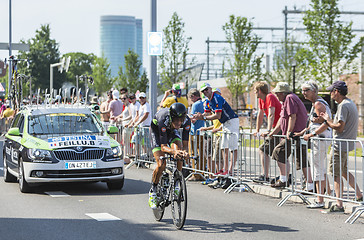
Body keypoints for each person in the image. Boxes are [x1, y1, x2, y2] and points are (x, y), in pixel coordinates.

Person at [320, 80, 363, 212]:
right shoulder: (350, 104)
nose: (330, 94)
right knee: (343, 171)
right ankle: (359, 195)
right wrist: (329, 119)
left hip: (339, 145)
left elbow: (339, 127)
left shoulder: (343, 106)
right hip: (345, 145)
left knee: (336, 174)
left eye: (331, 91)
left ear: (336, 92)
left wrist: (327, 120)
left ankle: (339, 204)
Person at [268, 82, 313, 190]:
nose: (276, 95)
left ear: (283, 93)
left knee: (278, 152)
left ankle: (283, 179)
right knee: (301, 159)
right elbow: (282, 119)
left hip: (295, 134)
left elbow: (293, 116)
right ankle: (310, 186)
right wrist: (273, 132)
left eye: (278, 93)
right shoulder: (286, 100)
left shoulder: (289, 98)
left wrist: (289, 131)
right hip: (296, 134)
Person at [294, 81, 332, 208]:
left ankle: (320, 200)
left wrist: (312, 134)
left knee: (317, 170)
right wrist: (304, 131)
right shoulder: (316, 103)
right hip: (319, 139)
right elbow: (314, 122)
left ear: (314, 91)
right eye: (303, 90)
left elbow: (326, 123)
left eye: (306, 90)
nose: (303, 93)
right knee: (320, 167)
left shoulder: (318, 104)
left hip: (320, 139)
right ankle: (329, 194)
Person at [148, 103, 191, 209]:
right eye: (176, 120)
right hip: (157, 133)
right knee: (161, 164)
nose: (179, 122)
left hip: (172, 132)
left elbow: (185, 145)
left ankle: (177, 182)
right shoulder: (163, 118)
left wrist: (184, 153)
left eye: (181, 120)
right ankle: (153, 191)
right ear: (171, 117)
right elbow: (163, 147)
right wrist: (173, 152)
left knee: (179, 152)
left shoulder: (186, 121)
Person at [191, 83, 239, 176]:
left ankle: (230, 171)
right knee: (223, 146)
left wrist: (203, 118)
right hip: (225, 122)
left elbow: (217, 115)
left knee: (232, 147)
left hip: (232, 121)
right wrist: (198, 116)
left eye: (206, 89)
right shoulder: (208, 101)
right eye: (203, 91)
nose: (205, 92)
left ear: (210, 89)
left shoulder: (216, 98)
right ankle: (225, 169)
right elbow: (206, 113)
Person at [252, 81, 282, 183]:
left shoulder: (270, 97)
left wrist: (269, 131)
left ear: (260, 91)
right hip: (274, 128)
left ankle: (279, 176)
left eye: (255, 91)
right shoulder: (261, 100)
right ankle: (269, 175)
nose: (254, 93)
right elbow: (260, 115)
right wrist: (257, 130)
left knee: (277, 152)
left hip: (279, 128)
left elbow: (271, 114)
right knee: (272, 151)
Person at [188, 88, 206, 181]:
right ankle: (201, 172)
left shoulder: (195, 105)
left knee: (194, 154)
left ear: (193, 96)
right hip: (202, 132)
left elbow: (193, 120)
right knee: (202, 154)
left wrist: (187, 117)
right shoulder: (203, 103)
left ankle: (195, 174)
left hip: (194, 132)